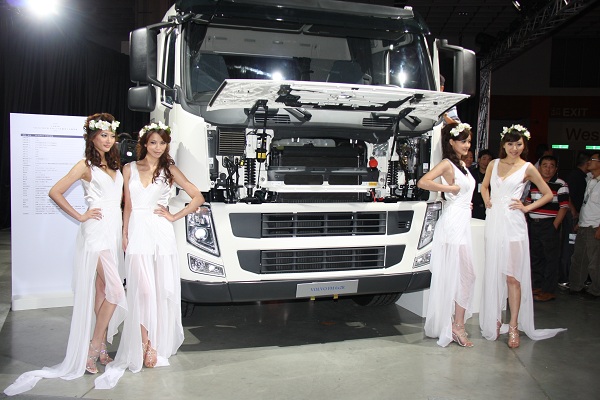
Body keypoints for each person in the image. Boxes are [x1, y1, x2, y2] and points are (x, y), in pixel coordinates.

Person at [4, 113, 127, 396]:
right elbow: (55, 191)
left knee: (102, 291)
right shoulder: (85, 165)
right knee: (115, 291)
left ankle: (101, 345)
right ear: (92, 137)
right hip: (96, 234)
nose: (108, 140)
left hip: (112, 232)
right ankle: (93, 347)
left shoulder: (114, 165)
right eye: (103, 135)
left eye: (111, 135)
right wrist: (81, 216)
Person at [95, 122, 205, 389]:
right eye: (153, 142)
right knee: (142, 291)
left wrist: (174, 216)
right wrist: (124, 232)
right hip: (137, 232)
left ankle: (152, 345)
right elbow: (127, 205)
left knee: (159, 290)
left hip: (161, 234)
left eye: (162, 143)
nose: (158, 147)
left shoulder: (170, 170)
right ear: (144, 143)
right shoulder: (129, 168)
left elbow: (197, 196)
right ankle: (144, 343)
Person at [479, 124, 566, 348]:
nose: (514, 148)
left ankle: (514, 325)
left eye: (518, 144)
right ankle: (495, 320)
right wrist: (487, 200)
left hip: (514, 224)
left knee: (513, 277)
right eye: (510, 144)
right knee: (495, 273)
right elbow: (484, 186)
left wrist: (527, 208)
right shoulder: (494, 164)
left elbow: (547, 194)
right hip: (494, 222)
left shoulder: (527, 167)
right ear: (503, 144)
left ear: (524, 145)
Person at [417, 122, 476, 347]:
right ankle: (455, 326)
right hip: (452, 225)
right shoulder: (447, 164)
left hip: (461, 221)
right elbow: (423, 182)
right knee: (461, 275)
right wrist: (448, 190)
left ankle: (456, 324)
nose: (467, 145)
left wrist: (464, 202)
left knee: (465, 275)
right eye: (463, 141)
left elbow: (464, 193)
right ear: (451, 142)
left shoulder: (462, 165)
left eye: (468, 141)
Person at [526, 155, 569, 302]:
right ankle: (537, 286)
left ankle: (548, 290)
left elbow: (564, 207)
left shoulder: (561, 184)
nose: (548, 169)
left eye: (551, 166)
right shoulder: (534, 183)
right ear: (539, 168)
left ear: (556, 169)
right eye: (545, 165)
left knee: (551, 259)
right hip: (534, 224)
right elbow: (528, 202)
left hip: (549, 224)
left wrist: (554, 225)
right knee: (535, 256)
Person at [568, 152, 600, 298]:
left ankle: (596, 290)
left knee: (595, 262)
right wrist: (580, 222)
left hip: (595, 227)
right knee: (578, 258)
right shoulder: (589, 179)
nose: (588, 162)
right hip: (583, 225)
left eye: (592, 159)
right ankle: (576, 286)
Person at [559, 152, 591, 288]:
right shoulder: (575, 176)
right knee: (569, 247)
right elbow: (568, 195)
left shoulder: (585, 177)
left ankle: (573, 277)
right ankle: (565, 277)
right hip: (572, 217)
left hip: (578, 217)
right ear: (587, 162)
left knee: (574, 247)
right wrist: (573, 211)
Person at [470, 149, 493, 220]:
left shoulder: (493, 175)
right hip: (474, 208)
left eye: (489, 159)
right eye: (484, 159)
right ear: (479, 160)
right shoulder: (472, 174)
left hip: (488, 207)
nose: (486, 162)